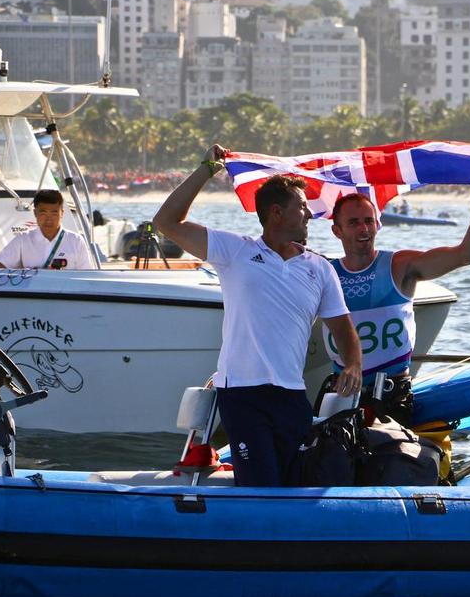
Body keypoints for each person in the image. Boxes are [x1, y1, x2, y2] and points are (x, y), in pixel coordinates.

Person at [153, 144, 362, 487]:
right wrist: (207, 168)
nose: (310, 215)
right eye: (303, 208)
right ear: (277, 213)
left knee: (296, 483)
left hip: (292, 395)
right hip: (242, 395)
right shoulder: (235, 250)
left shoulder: (320, 269)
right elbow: (165, 222)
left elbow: (343, 328)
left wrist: (353, 364)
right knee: (261, 485)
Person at [325, 162, 470, 424]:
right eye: (353, 223)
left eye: (368, 221)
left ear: (378, 225)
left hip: (391, 397)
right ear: (337, 231)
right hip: (343, 397)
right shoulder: (325, 273)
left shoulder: (401, 266)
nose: (363, 229)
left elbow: (466, 255)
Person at [0, 189, 94, 269]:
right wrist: (21, 276)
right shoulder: (23, 239)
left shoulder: (76, 241)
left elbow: (86, 274)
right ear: (35, 213)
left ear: (62, 213)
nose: (49, 219)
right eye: (43, 213)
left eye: (54, 213)